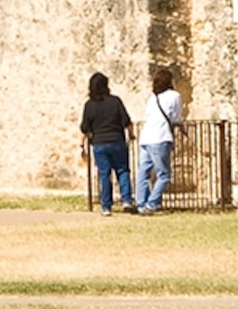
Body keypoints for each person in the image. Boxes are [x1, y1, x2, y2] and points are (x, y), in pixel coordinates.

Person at [79, 72, 133, 214]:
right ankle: (127, 200)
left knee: (104, 174)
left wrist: (81, 145)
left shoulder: (89, 105)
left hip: (99, 143)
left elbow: (85, 127)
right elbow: (126, 121)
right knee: (123, 170)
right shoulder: (115, 101)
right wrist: (131, 135)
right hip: (117, 140)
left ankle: (106, 206)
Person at [134, 63, 184, 214]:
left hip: (146, 137)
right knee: (164, 175)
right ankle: (152, 203)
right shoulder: (174, 96)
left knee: (143, 172)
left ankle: (141, 203)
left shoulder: (152, 98)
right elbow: (176, 117)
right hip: (161, 136)